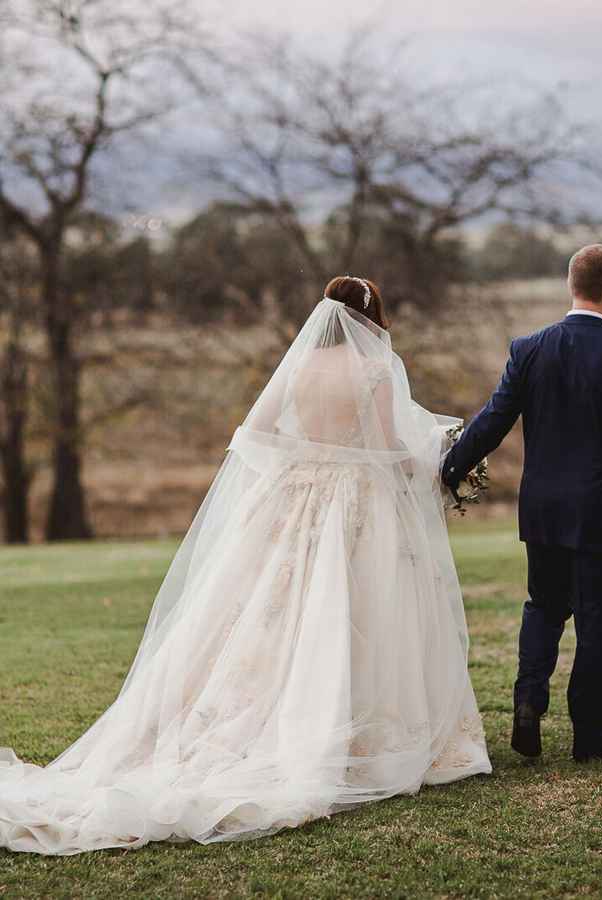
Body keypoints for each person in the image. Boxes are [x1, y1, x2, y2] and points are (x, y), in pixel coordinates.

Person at [0, 276, 490, 856]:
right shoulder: (376, 369)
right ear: (373, 316)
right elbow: (386, 446)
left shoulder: (299, 367)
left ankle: (256, 722)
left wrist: (301, 462)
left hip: (293, 496)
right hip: (357, 501)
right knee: (358, 608)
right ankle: (357, 736)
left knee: (273, 612)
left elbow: (254, 435)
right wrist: (436, 461)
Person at [442, 245, 602, 762]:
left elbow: (492, 420)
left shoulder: (528, 348)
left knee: (543, 608)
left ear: (570, 285)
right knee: (599, 624)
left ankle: (529, 703)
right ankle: (589, 738)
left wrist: (449, 468)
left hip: (543, 512)